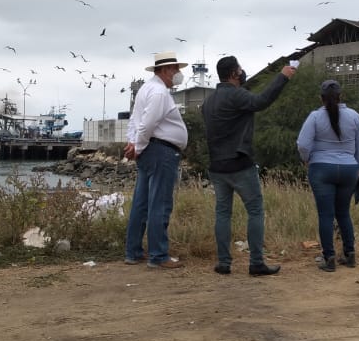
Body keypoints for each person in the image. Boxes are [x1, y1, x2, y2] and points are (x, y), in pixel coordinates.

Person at [202, 56, 296, 276]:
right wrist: (282, 77)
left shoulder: (208, 102)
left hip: (217, 166)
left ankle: (224, 263)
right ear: (234, 73)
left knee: (223, 213)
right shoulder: (236, 94)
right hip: (240, 164)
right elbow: (262, 101)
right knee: (255, 211)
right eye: (240, 69)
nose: (242, 71)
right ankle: (256, 263)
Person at [122, 51, 189, 269]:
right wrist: (138, 147)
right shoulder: (160, 92)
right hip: (161, 151)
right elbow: (148, 124)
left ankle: (133, 252)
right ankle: (158, 255)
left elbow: (135, 121)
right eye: (176, 69)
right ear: (166, 70)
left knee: (141, 203)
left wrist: (134, 144)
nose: (178, 73)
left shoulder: (145, 89)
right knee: (160, 203)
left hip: (149, 150)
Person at [296, 80, 359, 272]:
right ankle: (350, 254)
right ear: (340, 96)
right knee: (343, 213)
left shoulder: (315, 117)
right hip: (349, 169)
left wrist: (307, 159)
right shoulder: (354, 116)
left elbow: (303, 144)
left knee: (325, 215)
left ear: (321, 98)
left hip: (321, 169)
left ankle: (329, 258)